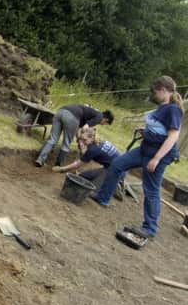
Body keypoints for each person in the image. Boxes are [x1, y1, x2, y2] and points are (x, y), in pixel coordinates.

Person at [90, 76, 183, 237]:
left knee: (151, 190)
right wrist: (146, 131)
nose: (153, 95)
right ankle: (103, 197)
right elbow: (159, 128)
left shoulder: (173, 109)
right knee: (117, 164)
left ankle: (150, 228)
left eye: (155, 92)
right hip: (144, 149)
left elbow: (173, 136)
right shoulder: (162, 107)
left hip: (156, 155)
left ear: (163, 90)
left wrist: (157, 159)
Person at [52, 127, 124, 197]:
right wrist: (82, 145)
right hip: (117, 167)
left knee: (92, 191)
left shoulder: (93, 149)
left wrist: (62, 169)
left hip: (116, 171)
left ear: (92, 138)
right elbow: (86, 155)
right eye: (81, 139)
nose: (83, 142)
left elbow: (77, 164)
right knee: (83, 176)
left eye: (84, 140)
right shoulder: (99, 141)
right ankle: (113, 182)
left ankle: (114, 186)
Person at [35, 104, 114, 167]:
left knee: (53, 139)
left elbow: (77, 129)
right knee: (66, 143)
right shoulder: (99, 117)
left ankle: (40, 160)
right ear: (106, 120)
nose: (103, 124)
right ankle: (58, 165)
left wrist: (78, 138)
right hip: (72, 117)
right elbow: (84, 128)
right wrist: (82, 141)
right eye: (105, 124)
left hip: (61, 111)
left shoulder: (92, 112)